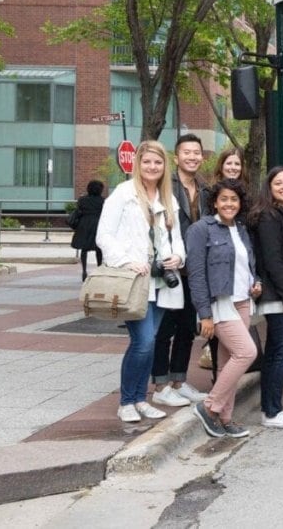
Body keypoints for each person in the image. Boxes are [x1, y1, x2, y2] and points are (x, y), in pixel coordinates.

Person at [96, 141, 187, 424]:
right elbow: (104, 235)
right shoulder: (123, 194)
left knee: (150, 341)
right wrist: (125, 261)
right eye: (147, 162)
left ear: (164, 166)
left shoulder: (168, 197)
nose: (152, 167)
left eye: (157, 163)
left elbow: (176, 239)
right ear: (138, 163)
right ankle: (127, 401)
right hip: (135, 280)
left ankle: (140, 399)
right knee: (143, 342)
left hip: (161, 280)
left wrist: (177, 258)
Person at [188, 179, 262, 438]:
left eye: (234, 199)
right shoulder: (201, 229)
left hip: (243, 301)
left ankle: (225, 418)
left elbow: (247, 266)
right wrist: (205, 315)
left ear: (240, 203)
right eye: (224, 199)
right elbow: (196, 275)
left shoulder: (241, 230)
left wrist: (256, 283)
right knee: (246, 352)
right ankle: (209, 407)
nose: (229, 204)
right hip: (220, 304)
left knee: (228, 361)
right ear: (215, 203)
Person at [151, 134, 209, 410]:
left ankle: (179, 380)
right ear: (177, 157)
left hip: (194, 270)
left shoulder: (205, 188)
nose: (192, 157)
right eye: (187, 152)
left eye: (196, 153)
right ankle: (160, 385)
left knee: (187, 328)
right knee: (165, 328)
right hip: (170, 269)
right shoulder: (165, 186)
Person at [248, 167, 283, 429]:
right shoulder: (269, 217)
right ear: (269, 188)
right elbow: (272, 260)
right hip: (281, 297)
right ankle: (272, 412)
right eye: (278, 183)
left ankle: (270, 409)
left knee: (277, 352)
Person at [71, 180, 105, 281]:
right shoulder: (102, 201)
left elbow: (79, 210)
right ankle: (99, 268)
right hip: (98, 225)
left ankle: (84, 270)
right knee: (99, 248)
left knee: (84, 249)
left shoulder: (82, 200)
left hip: (84, 225)